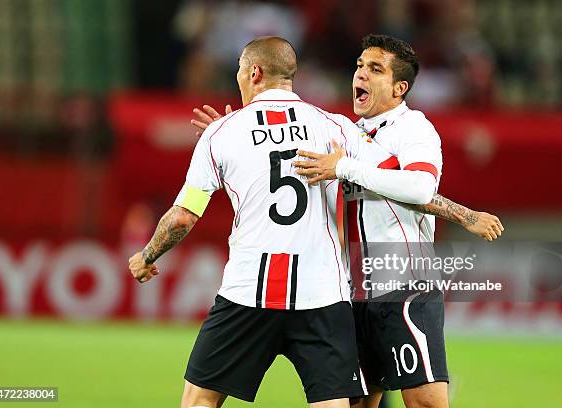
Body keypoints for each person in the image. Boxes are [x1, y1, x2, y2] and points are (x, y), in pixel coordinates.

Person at [192, 34, 503, 408]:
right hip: (352, 292)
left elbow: (419, 187)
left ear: (399, 87)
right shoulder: (345, 132)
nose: (361, 75)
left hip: (402, 285)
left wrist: (465, 216)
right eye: (359, 65)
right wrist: (236, 131)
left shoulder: (413, 129)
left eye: (375, 69)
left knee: (425, 401)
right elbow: (279, 153)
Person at [128, 36, 412, 408]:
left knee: (199, 400)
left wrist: (148, 256)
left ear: (255, 73)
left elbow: (183, 215)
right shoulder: (334, 126)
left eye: (240, 74)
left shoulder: (222, 132)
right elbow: (397, 177)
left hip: (249, 294)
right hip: (321, 295)